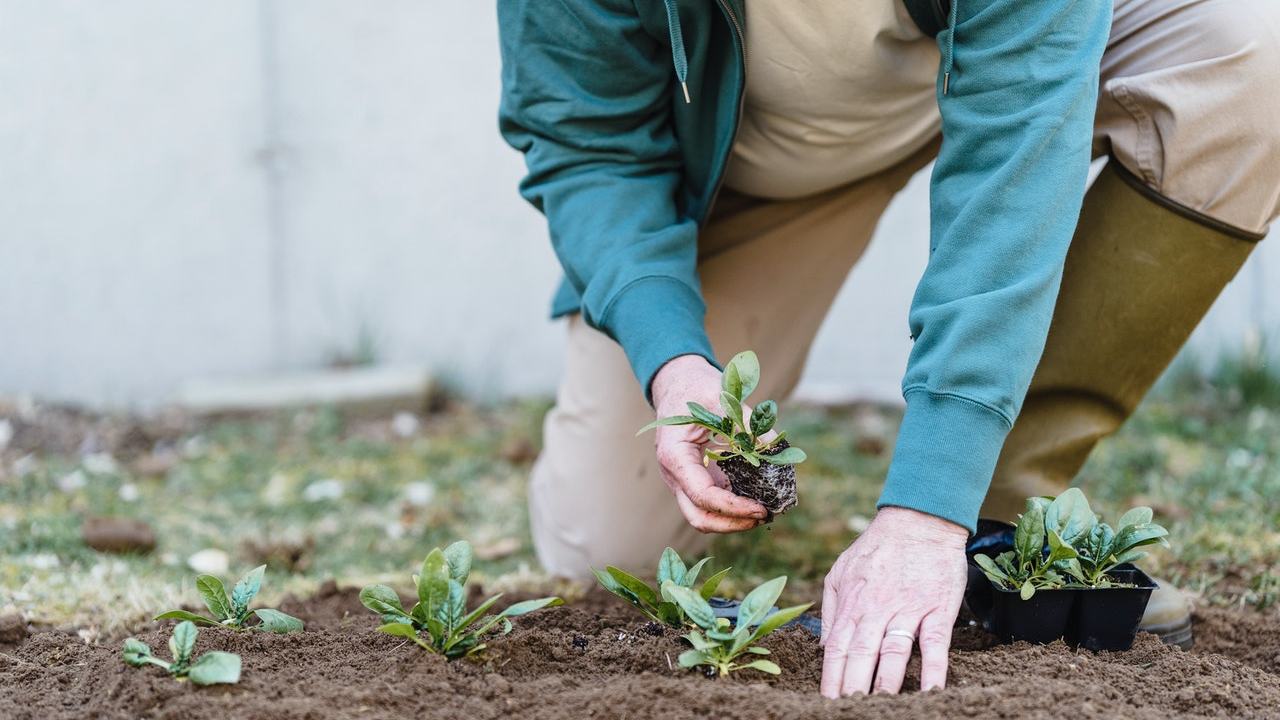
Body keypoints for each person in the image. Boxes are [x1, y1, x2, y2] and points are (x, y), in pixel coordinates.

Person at [497, 0, 1279, 698]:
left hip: (1008, 69)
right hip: (758, 163)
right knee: (605, 547)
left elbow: (1014, 161)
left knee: (1248, 64)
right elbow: (587, 144)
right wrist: (673, 363)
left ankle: (991, 513)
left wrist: (930, 505)